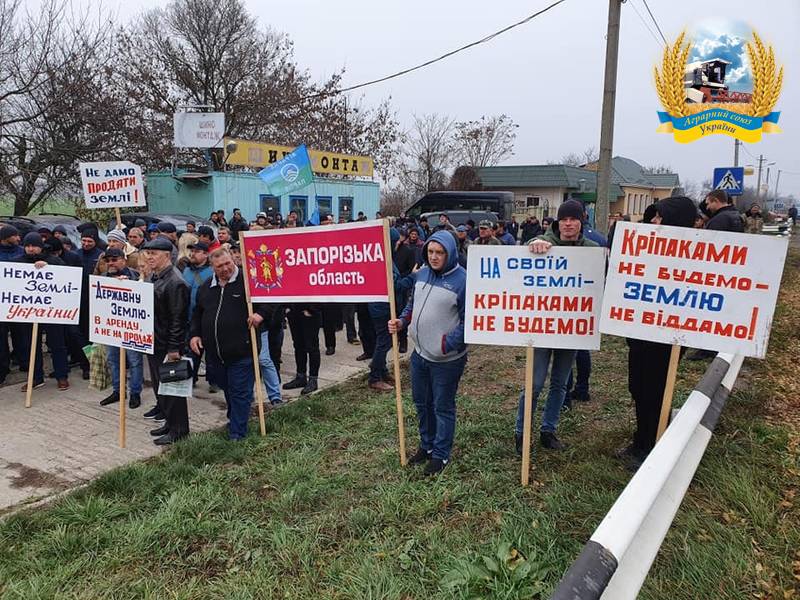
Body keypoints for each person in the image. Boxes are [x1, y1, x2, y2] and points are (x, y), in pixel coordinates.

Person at [514, 200, 599, 454]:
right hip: (541, 329)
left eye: (573, 219)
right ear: (557, 223)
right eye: (564, 220)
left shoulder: (592, 250)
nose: (568, 224)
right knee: (535, 383)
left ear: (581, 221)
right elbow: (526, 254)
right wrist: (534, 244)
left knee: (560, 384)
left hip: (570, 329)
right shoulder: (544, 244)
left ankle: (548, 430)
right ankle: (521, 433)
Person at [621, 196, 697, 470]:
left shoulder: (693, 255)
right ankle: (641, 439)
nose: (653, 222)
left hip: (666, 340)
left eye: (659, 218)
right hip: (640, 336)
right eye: (653, 217)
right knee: (638, 388)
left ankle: (652, 446)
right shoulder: (645, 249)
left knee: (655, 393)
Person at [388, 231, 467, 476]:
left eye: (440, 252)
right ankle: (427, 445)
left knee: (441, 406)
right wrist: (402, 321)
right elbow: (413, 304)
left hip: (446, 360)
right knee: (422, 403)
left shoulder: (463, 281)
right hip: (419, 355)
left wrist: (446, 344)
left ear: (450, 253)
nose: (434, 257)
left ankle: (441, 455)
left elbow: (469, 322)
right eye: (431, 252)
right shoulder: (421, 274)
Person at [190, 248, 270, 440]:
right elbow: (198, 314)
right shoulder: (207, 287)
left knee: (240, 392)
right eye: (220, 266)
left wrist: (261, 314)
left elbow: (271, 301)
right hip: (216, 353)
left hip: (243, 351)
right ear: (213, 267)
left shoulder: (249, 282)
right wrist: (195, 335)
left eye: (228, 263)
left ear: (234, 259)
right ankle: (235, 418)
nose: (225, 268)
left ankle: (237, 434)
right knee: (228, 389)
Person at [141, 237, 191, 446]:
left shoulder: (175, 282)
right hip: (154, 341)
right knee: (161, 387)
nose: (149, 257)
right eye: (148, 253)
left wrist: (173, 348)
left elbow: (178, 319)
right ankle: (170, 423)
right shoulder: (157, 277)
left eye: (154, 254)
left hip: (166, 345)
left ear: (167, 255)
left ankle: (179, 430)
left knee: (172, 390)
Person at [16, 232, 71, 392]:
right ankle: (35, 378)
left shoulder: (53, 261)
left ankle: (62, 376)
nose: (30, 249)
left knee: (57, 343)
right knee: (31, 344)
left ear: (41, 246)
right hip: (28, 311)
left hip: (52, 311)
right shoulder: (17, 263)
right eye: (27, 246)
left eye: (34, 246)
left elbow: (66, 277)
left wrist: (49, 269)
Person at [98, 248, 143, 409]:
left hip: (131, 329)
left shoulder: (135, 276)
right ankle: (118, 391)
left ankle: (135, 393)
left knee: (134, 361)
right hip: (112, 328)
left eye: (114, 259)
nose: (111, 263)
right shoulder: (103, 278)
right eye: (108, 260)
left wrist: (129, 284)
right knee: (113, 360)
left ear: (123, 260)